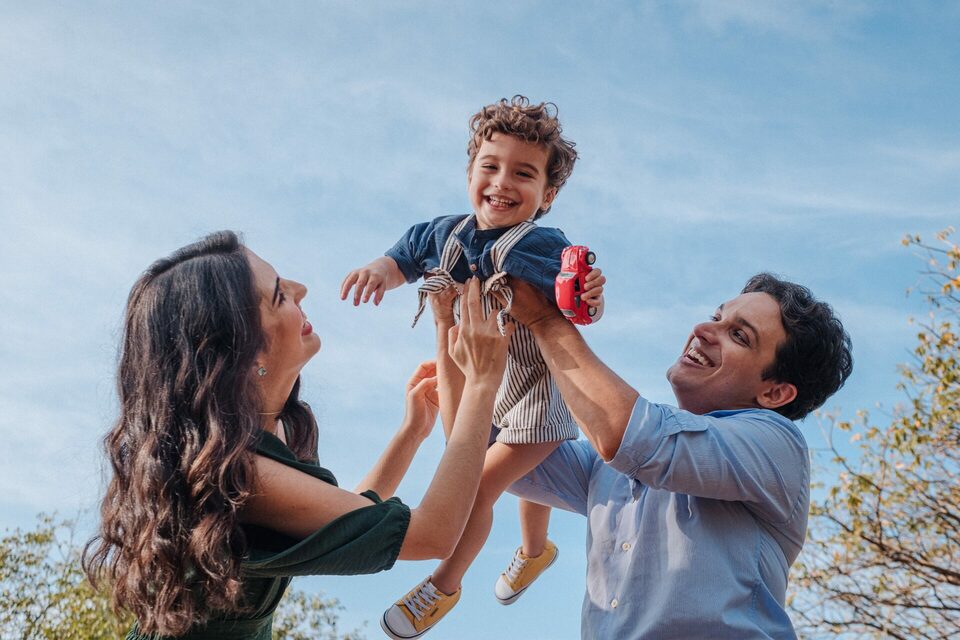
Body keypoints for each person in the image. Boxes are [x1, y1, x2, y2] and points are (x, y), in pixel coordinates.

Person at [82, 231, 512, 640]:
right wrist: (481, 385)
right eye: (279, 295)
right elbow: (432, 534)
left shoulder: (279, 429)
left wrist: (411, 435)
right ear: (244, 352)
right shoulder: (238, 476)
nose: (302, 289)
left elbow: (346, 520)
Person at [340, 96, 605, 639]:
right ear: (470, 172)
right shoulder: (442, 233)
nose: (502, 182)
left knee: (480, 485)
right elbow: (402, 258)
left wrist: (589, 298)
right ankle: (536, 552)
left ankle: (443, 586)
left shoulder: (542, 243)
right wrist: (378, 271)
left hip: (537, 397)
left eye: (523, 174)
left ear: (547, 195)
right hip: (487, 380)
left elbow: (577, 298)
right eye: (491, 166)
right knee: (519, 483)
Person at [489, 272, 853, 639]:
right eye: (716, 317)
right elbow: (494, 456)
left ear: (774, 394)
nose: (704, 330)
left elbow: (628, 435)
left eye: (739, 336)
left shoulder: (776, 444)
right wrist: (465, 344)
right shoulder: (614, 464)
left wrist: (544, 320)